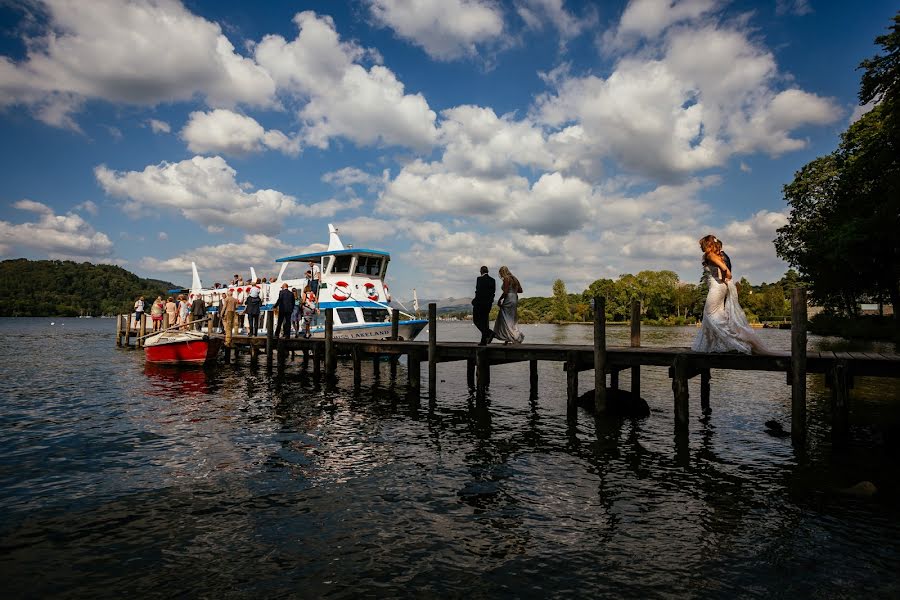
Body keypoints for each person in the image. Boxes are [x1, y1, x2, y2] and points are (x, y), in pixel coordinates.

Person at [691, 235, 767, 354]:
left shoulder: (710, 255)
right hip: (721, 287)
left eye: (702, 244)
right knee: (718, 315)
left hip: (716, 288)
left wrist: (726, 274)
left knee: (710, 314)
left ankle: (737, 342)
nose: (701, 246)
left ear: (708, 244)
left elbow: (727, 271)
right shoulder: (718, 255)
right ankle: (714, 346)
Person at [493, 266, 525, 344]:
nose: (501, 275)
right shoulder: (515, 279)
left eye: (500, 273)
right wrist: (514, 290)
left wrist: (500, 299)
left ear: (502, 272)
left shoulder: (506, 279)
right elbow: (520, 290)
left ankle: (513, 337)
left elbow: (506, 291)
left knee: (505, 318)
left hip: (509, 299)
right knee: (512, 319)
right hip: (514, 298)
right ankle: (508, 339)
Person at [472, 266, 496, 345]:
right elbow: (493, 293)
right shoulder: (493, 280)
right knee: (485, 322)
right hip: (488, 304)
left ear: (481, 271)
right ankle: (483, 341)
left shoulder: (479, 279)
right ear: (487, 271)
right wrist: (490, 302)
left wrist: (474, 301)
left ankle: (489, 333)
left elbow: (478, 291)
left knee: (476, 320)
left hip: (479, 304)